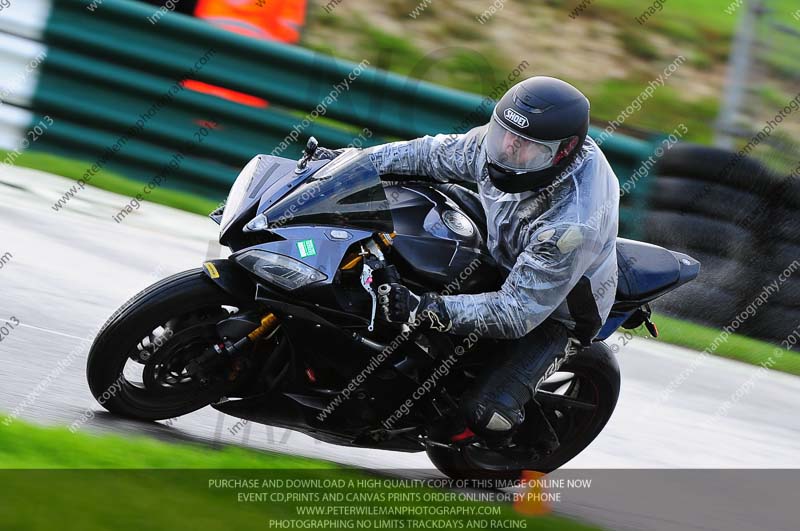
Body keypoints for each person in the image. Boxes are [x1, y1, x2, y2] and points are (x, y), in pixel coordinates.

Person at [367, 76, 620, 446]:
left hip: (554, 311)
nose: (509, 150)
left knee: (487, 417)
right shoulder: (500, 143)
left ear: (563, 151)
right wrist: (348, 164)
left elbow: (516, 312)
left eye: (528, 147)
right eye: (505, 134)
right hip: (502, 243)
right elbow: (427, 155)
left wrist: (424, 308)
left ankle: (529, 445)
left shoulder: (572, 222)